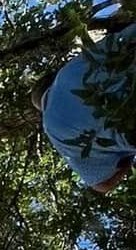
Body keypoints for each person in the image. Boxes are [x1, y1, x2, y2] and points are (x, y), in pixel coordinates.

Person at [37, 25, 136, 192]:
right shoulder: (69, 69)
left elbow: (101, 183)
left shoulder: (52, 127)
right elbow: (121, 40)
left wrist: (126, 161)